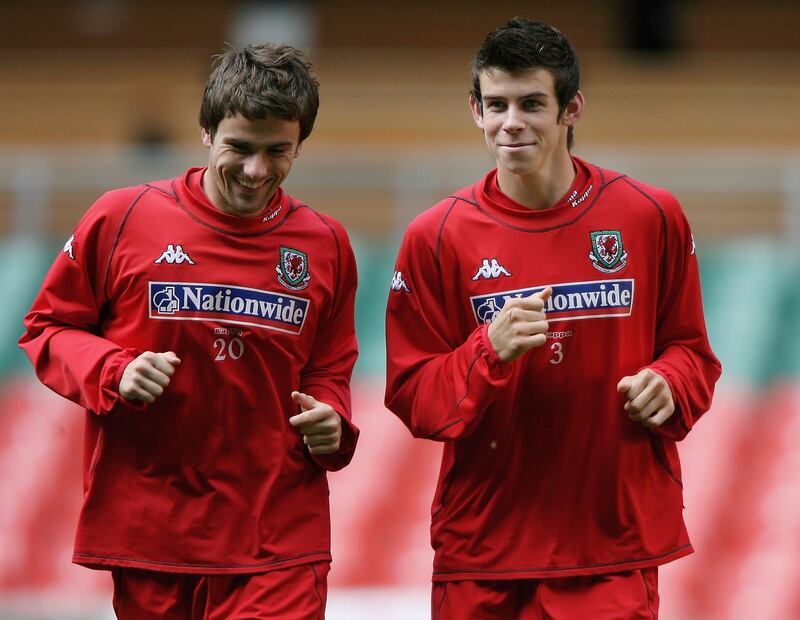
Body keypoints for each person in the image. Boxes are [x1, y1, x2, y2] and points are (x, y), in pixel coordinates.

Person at [384, 18, 721, 619]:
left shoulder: (649, 215)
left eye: (532, 103)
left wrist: (668, 384)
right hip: (483, 551)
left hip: (609, 550)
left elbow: (692, 353)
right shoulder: (434, 237)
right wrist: (487, 349)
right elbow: (412, 395)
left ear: (572, 108)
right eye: (496, 104)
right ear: (475, 111)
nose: (511, 121)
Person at [19, 43, 358, 619]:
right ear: (206, 131)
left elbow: (328, 369)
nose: (256, 171)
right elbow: (47, 328)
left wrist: (332, 420)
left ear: (300, 143)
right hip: (155, 531)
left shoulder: (325, 244)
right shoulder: (122, 217)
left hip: (276, 538)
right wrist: (114, 370)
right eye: (240, 148)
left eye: (278, 151)